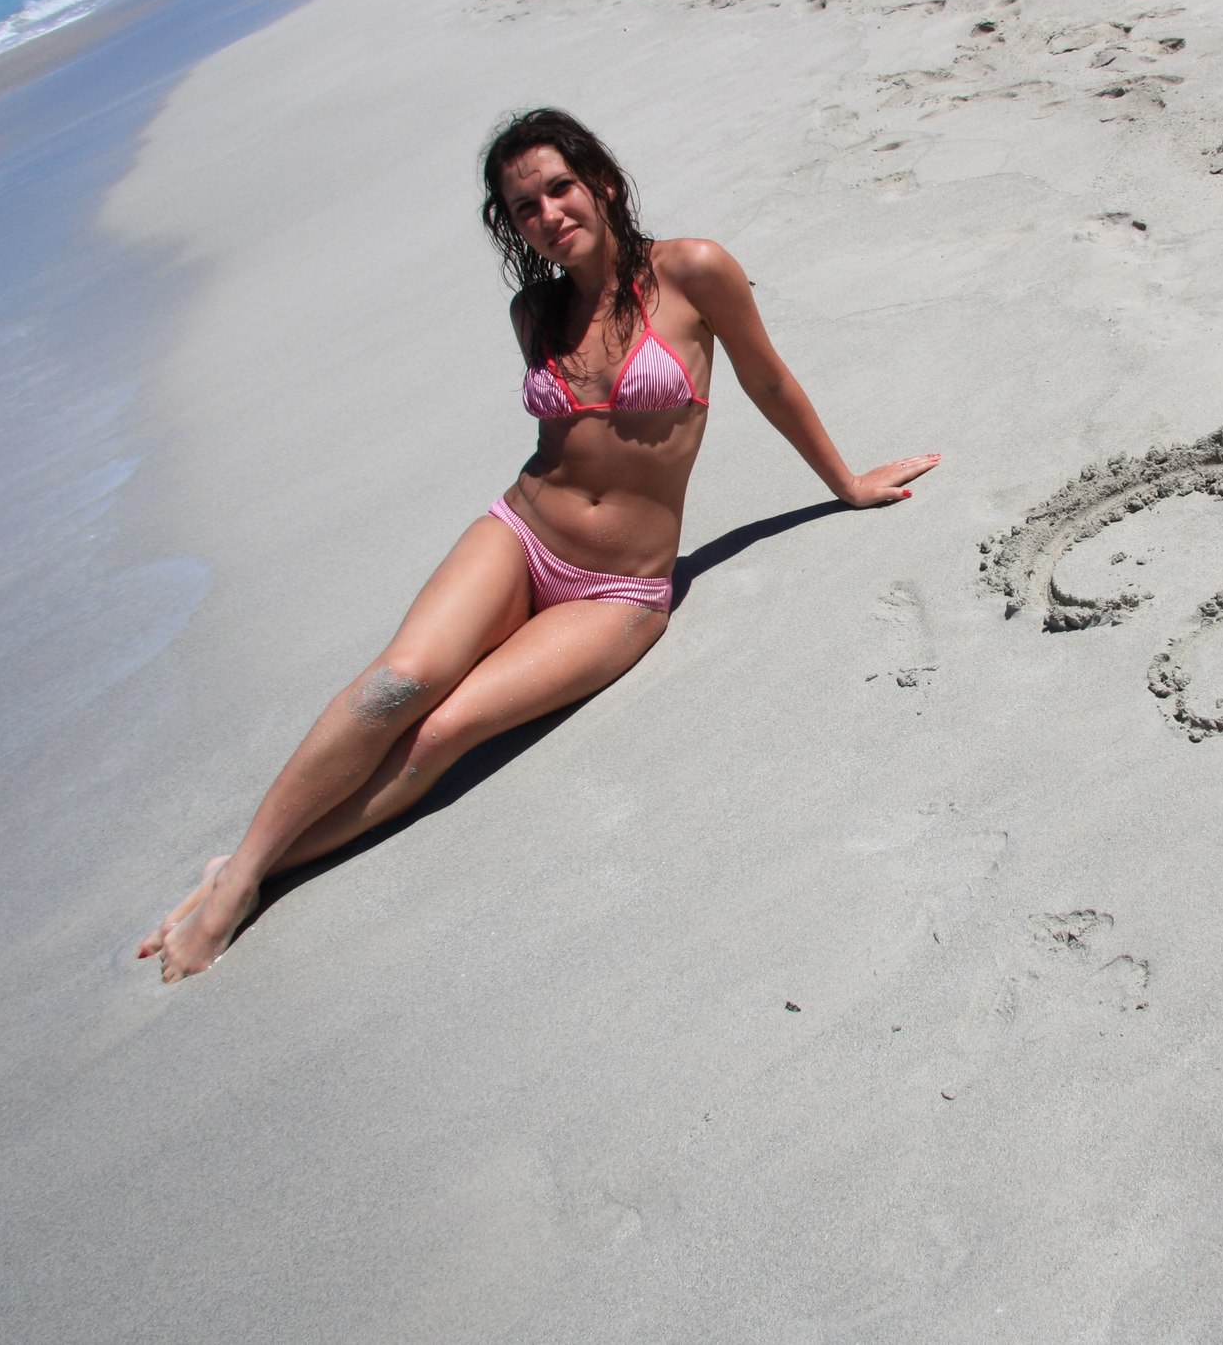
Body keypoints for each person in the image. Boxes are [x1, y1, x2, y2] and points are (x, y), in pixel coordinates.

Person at [138, 109, 938, 981]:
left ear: (603, 183)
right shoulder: (535, 311)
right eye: (526, 206)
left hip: (618, 590)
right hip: (520, 535)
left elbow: (768, 380)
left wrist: (845, 483)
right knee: (398, 681)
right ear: (512, 225)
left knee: (445, 730)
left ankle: (248, 874)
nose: (550, 213)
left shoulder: (694, 270)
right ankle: (240, 872)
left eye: (561, 188)